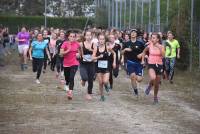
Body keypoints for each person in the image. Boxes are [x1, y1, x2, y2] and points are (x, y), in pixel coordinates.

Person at [142, 33, 165, 104]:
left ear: (158, 39)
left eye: (154, 38)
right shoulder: (149, 46)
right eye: (152, 38)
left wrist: (159, 47)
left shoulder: (161, 46)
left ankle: (155, 97)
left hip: (159, 65)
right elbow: (144, 51)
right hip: (151, 64)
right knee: (153, 78)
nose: (152, 39)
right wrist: (142, 60)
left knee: (157, 83)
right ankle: (149, 85)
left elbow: (164, 55)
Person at [92, 33, 116, 101]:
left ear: (105, 40)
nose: (101, 40)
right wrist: (98, 57)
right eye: (100, 39)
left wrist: (114, 62)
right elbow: (92, 58)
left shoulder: (108, 47)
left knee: (105, 81)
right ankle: (102, 96)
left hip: (106, 67)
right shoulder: (96, 48)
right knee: (100, 82)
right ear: (98, 40)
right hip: (98, 67)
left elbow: (114, 53)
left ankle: (106, 85)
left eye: (103, 39)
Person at [121, 29, 145, 96]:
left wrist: (142, 57)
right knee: (132, 76)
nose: (133, 33)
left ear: (136, 34)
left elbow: (144, 52)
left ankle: (136, 83)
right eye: (132, 32)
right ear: (130, 34)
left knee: (139, 79)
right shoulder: (126, 43)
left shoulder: (140, 43)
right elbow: (121, 52)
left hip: (139, 63)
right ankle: (136, 91)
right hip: (130, 62)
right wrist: (125, 49)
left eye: (134, 32)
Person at [60, 31, 81, 100]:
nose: (72, 38)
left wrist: (79, 55)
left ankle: (70, 92)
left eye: (73, 36)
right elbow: (61, 54)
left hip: (74, 63)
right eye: (71, 36)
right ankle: (66, 84)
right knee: (67, 78)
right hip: (66, 63)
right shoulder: (65, 43)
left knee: (72, 77)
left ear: (75, 37)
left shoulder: (77, 44)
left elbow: (80, 52)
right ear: (68, 37)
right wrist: (67, 51)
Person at [79, 31, 95, 100]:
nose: (88, 37)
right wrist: (80, 55)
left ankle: (89, 93)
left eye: (90, 35)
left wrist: (91, 51)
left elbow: (95, 53)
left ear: (91, 36)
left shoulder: (94, 44)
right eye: (87, 35)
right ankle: (83, 80)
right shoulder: (81, 44)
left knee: (91, 79)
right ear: (85, 36)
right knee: (85, 77)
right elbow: (81, 54)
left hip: (91, 63)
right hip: (83, 63)